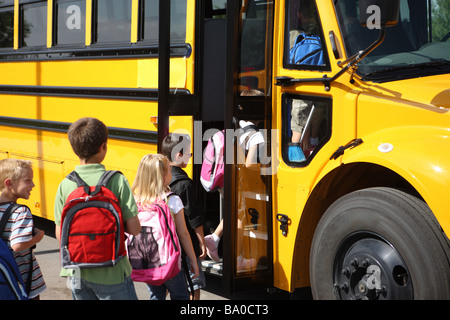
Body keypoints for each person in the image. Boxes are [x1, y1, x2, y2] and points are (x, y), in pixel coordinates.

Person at [54, 117, 141, 300]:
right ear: (103, 147)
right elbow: (134, 228)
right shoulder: (117, 180)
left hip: (76, 272)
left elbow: (60, 233)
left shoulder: (66, 184)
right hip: (113, 271)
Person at [132, 153, 199, 300]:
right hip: (170, 263)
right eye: (169, 170)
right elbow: (183, 234)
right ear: (163, 177)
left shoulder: (136, 200)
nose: (171, 173)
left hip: (148, 260)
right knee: (180, 295)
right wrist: (193, 260)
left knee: (156, 295)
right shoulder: (172, 200)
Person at [161, 133, 207, 300]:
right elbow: (193, 217)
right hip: (185, 246)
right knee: (193, 286)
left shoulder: (160, 179)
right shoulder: (184, 184)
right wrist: (201, 241)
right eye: (189, 153)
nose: (190, 156)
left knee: (167, 285)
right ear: (178, 155)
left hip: (166, 245)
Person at [0, 158, 46, 299]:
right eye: (27, 180)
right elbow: (18, 245)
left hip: (5, 280)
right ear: (9, 183)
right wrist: (38, 237)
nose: (33, 185)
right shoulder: (21, 212)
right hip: (23, 282)